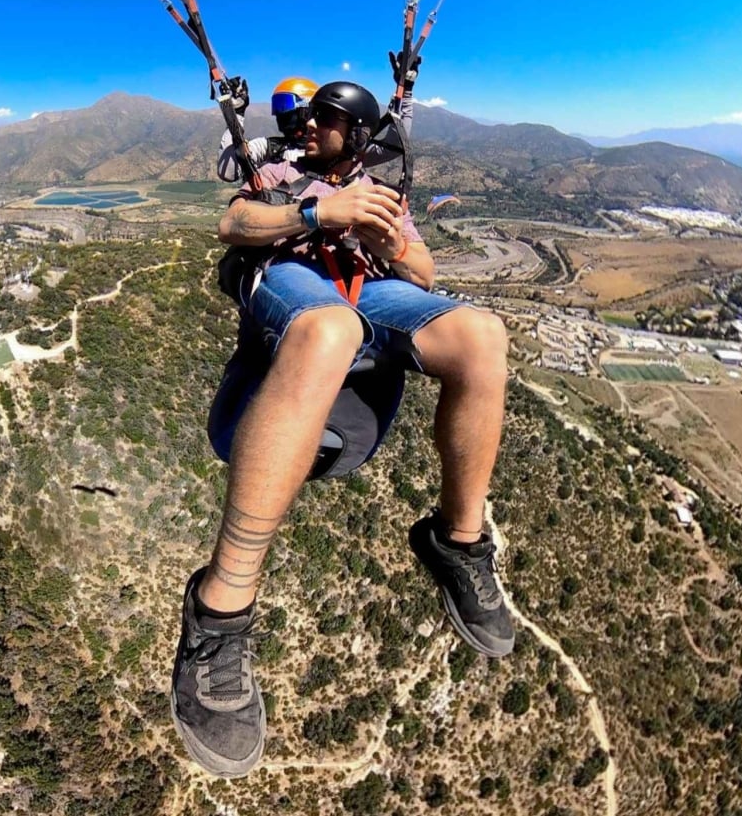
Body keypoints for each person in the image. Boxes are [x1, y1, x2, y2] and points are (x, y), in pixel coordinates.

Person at [171, 79, 515, 778]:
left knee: (482, 335)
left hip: (367, 281)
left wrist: (385, 235)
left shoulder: (379, 191)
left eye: (326, 121)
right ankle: (219, 609)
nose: (308, 128)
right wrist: (316, 211)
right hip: (291, 275)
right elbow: (235, 227)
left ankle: (459, 541)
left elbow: (423, 270)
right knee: (330, 327)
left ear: (356, 134)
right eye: (310, 117)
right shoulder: (277, 171)